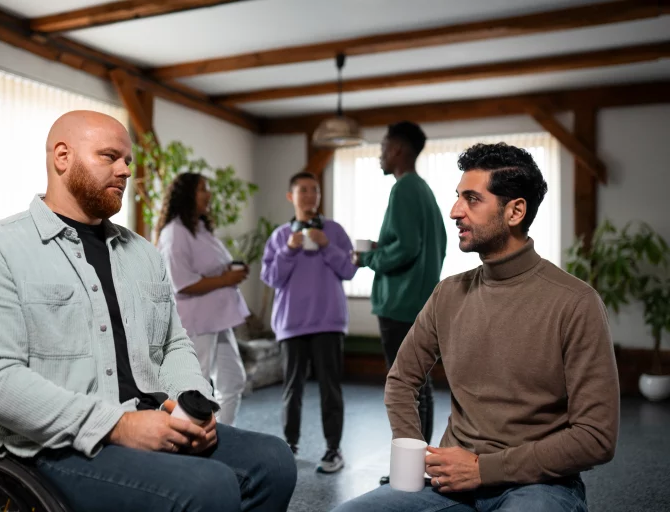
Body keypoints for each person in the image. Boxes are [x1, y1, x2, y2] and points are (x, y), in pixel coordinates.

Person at [0, 110, 297, 512]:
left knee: (274, 462)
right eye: (109, 156)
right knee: (207, 487)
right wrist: (118, 425)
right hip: (47, 447)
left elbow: (172, 343)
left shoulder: (143, 255)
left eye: (128, 160)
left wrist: (189, 402)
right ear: (62, 157)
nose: (125, 170)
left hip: (150, 418)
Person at [334, 142, 619, 512]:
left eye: (472, 199)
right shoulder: (448, 294)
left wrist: (484, 469)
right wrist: (414, 455)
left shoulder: (576, 303)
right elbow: (401, 380)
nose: (455, 211)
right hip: (449, 481)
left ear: (515, 211)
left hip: (539, 485)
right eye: (457, 198)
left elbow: (596, 437)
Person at [352, 121, 446, 484]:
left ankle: (412, 471)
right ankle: (419, 466)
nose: (379, 153)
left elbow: (406, 249)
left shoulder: (404, 189)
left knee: (404, 389)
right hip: (418, 301)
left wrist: (366, 259)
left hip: (400, 305)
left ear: (398, 150)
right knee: (419, 387)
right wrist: (380, 250)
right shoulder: (422, 190)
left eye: (383, 146)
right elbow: (422, 245)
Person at [261, 171, 357, 473]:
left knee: (331, 389)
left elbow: (350, 271)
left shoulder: (335, 231)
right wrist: (290, 249)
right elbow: (272, 278)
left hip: (328, 322)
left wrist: (327, 245)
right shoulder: (279, 236)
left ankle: (333, 450)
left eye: (314, 190)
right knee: (293, 389)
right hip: (291, 324)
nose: (310, 195)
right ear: (292, 196)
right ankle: (289, 446)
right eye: (303, 190)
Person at [157, 172, 250, 425]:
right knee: (194, 390)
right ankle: (186, 446)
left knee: (233, 381)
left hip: (218, 320)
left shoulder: (200, 228)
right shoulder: (174, 233)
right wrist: (226, 279)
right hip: (196, 323)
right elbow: (182, 283)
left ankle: (223, 438)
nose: (208, 194)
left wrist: (231, 272)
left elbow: (212, 266)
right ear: (186, 195)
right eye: (202, 189)